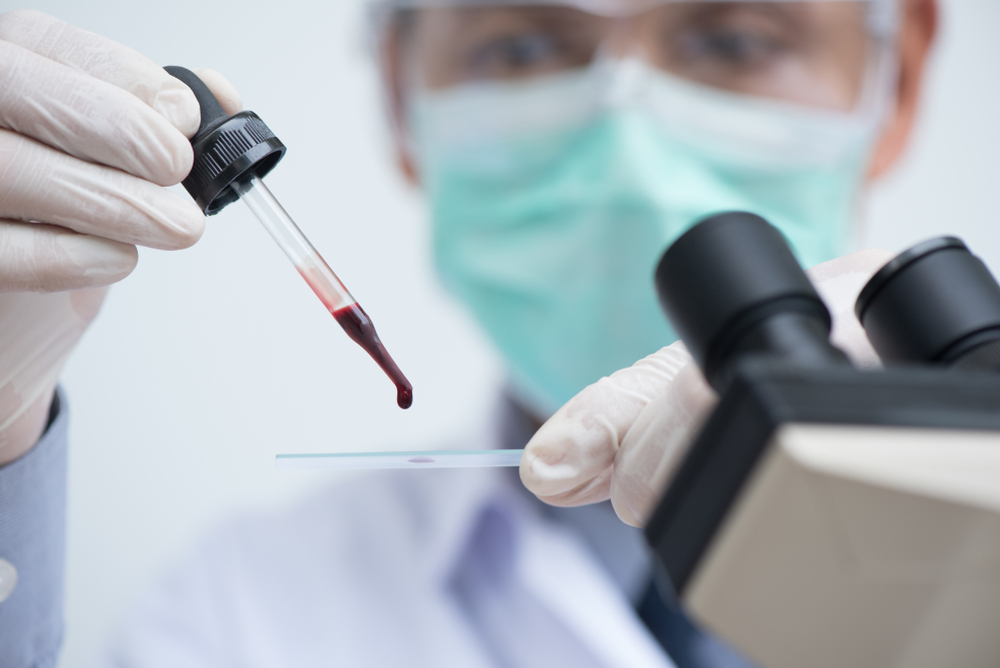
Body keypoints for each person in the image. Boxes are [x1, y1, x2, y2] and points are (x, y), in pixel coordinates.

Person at [0, 0, 935, 666]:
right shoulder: (240, 613)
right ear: (402, 99)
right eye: (523, 44)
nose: (627, 133)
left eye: (735, 36)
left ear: (900, 80)